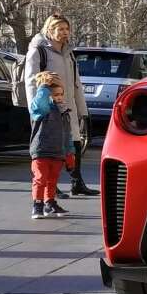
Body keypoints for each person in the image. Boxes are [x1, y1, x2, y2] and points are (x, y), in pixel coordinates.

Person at [23, 14, 96, 197]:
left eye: (66, 29)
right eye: (60, 29)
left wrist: (82, 109)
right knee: (49, 148)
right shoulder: (38, 51)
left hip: (67, 104)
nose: (64, 33)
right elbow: (31, 81)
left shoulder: (68, 52)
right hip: (48, 108)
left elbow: (75, 82)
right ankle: (50, 188)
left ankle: (76, 182)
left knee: (75, 143)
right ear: (50, 30)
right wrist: (37, 110)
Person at [27, 72, 73, 219]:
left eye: (61, 94)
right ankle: (37, 205)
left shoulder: (64, 112)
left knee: (53, 179)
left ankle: (50, 203)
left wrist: (69, 152)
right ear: (47, 94)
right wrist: (44, 87)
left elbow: (67, 134)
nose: (59, 97)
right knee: (40, 178)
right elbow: (40, 105)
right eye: (55, 94)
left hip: (58, 152)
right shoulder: (41, 109)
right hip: (41, 150)